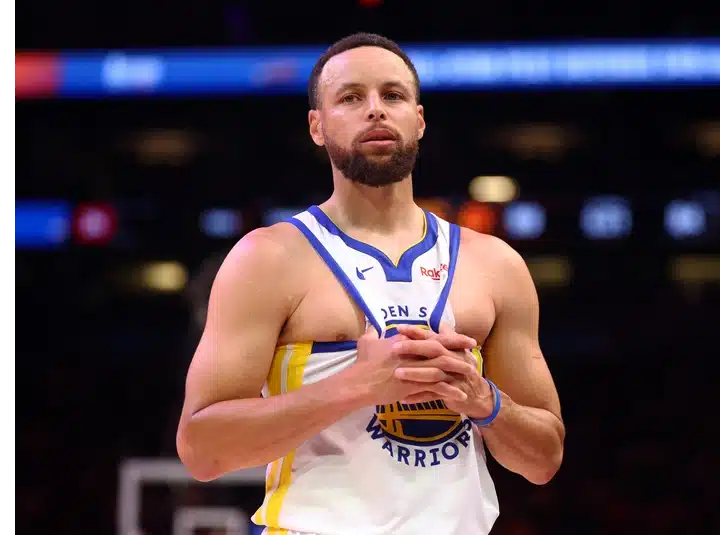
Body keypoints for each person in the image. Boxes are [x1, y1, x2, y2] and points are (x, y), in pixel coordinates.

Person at [176, 32, 565, 535]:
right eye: (351, 97)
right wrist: (354, 386)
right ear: (317, 127)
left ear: (419, 120)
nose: (376, 110)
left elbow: (544, 458)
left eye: (393, 95)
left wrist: (484, 400)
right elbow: (202, 451)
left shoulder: (495, 264)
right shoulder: (268, 259)